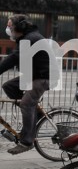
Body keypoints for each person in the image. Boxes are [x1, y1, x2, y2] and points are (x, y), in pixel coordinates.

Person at [0, 15, 51, 154]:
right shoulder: (26, 38)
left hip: (44, 77)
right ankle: (34, 112)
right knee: (8, 86)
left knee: (26, 103)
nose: (8, 29)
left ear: (19, 27)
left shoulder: (30, 38)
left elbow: (13, 57)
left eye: (10, 26)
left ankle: (27, 141)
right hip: (34, 75)